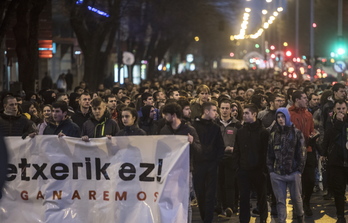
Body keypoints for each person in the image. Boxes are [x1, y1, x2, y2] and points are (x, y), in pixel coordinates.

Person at [160, 103, 201, 223]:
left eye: (166, 115)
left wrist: (192, 143)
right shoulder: (164, 130)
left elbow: (199, 151)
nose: (164, 118)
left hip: (184, 171)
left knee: (184, 202)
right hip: (169, 171)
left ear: (173, 115)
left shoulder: (189, 130)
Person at [267, 107, 306, 223]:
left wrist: (299, 170)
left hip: (293, 172)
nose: (280, 119)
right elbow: (269, 154)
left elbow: (302, 153)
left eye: (282, 116)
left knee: (297, 199)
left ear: (287, 117)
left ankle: (300, 217)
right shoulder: (273, 135)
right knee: (280, 200)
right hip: (277, 173)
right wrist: (271, 171)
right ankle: (282, 220)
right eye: (278, 117)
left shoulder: (296, 133)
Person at [234, 103, 269, 223]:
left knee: (262, 197)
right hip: (243, 170)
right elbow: (237, 150)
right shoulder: (240, 132)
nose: (244, 115)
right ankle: (244, 220)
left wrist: (264, 170)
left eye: (247, 113)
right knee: (244, 198)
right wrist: (238, 168)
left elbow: (265, 152)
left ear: (254, 114)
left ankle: (263, 218)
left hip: (259, 170)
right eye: (243, 113)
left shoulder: (263, 132)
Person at [192, 102, 225, 223]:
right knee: (200, 193)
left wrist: (216, 160)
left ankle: (208, 220)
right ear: (206, 111)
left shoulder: (215, 127)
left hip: (211, 164)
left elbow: (220, 145)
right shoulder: (194, 126)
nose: (216, 113)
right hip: (198, 164)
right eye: (214, 110)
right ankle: (204, 217)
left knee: (211, 194)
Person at [288, 91, 316, 217]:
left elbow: (311, 130)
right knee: (296, 182)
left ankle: (306, 202)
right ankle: (297, 205)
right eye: (304, 98)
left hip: (308, 150)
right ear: (297, 100)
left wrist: (313, 136)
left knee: (310, 180)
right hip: (294, 152)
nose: (307, 99)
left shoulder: (308, 114)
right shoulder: (288, 114)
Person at [322, 100, 348, 223]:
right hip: (336, 163)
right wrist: (338, 123)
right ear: (334, 110)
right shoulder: (330, 123)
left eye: (343, 108)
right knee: (339, 191)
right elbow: (328, 139)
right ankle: (340, 216)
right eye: (339, 109)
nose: (341, 111)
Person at [216, 99, 242, 216]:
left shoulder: (237, 125)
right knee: (219, 183)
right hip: (218, 158)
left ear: (231, 110)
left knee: (230, 184)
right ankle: (220, 206)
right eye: (223, 108)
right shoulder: (215, 124)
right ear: (219, 109)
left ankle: (230, 207)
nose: (225, 111)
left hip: (231, 159)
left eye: (227, 108)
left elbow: (240, 142)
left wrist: (234, 149)